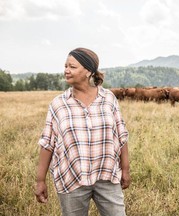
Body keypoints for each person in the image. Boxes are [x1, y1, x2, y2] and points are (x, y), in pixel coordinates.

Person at [34, 48, 131, 216]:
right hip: (72, 179)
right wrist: (40, 180)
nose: (66, 70)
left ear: (88, 71)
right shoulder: (58, 104)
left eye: (72, 66)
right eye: (65, 66)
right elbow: (47, 144)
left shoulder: (108, 99)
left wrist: (126, 169)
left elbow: (121, 136)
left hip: (107, 175)